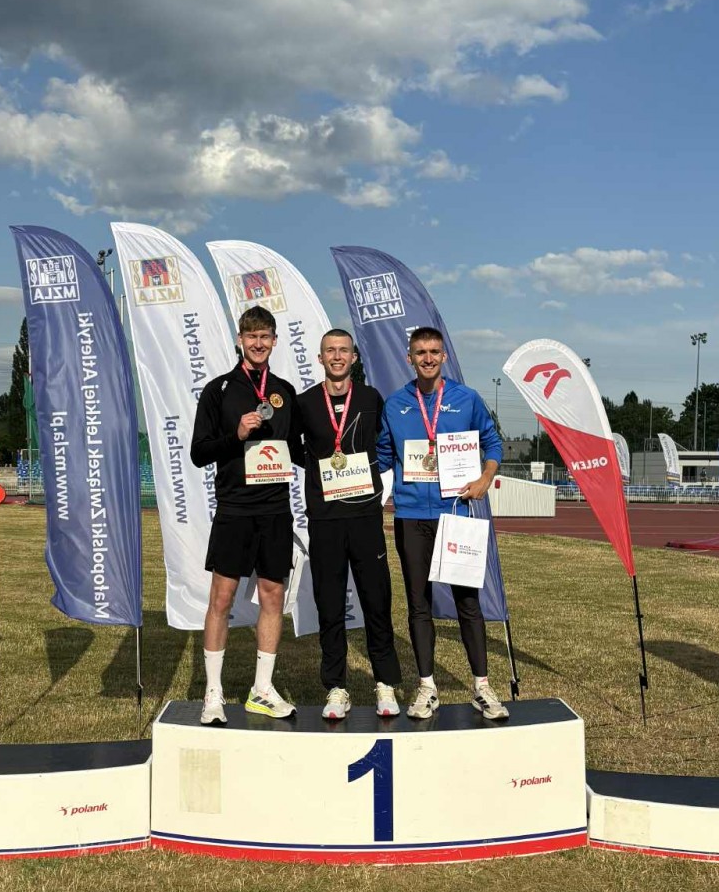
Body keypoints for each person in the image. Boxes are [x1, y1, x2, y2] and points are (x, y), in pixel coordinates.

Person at [378, 328, 508, 721]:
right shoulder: (396, 404)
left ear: (444, 356)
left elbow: (493, 443)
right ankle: (426, 687)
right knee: (418, 603)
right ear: (410, 358)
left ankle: (482, 687)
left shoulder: (466, 398)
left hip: (456, 513)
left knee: (468, 603)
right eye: (421, 352)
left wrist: (485, 478)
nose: (428, 358)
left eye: (434, 351)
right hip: (412, 516)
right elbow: (381, 455)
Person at [190, 305, 302, 723]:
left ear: (274, 341)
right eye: (251, 336)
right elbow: (199, 452)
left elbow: (300, 449)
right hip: (235, 509)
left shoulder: (285, 391)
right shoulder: (218, 390)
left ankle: (262, 690)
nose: (258, 343)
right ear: (240, 340)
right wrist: (235, 435)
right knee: (221, 598)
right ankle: (213, 693)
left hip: (275, 511)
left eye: (265, 336)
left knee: (273, 596)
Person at [294, 328, 403, 721]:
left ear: (354, 358)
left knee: (377, 600)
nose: (337, 356)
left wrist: (365, 473)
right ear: (320, 358)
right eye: (330, 351)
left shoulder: (371, 398)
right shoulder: (306, 402)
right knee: (330, 604)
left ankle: (385, 682)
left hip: (364, 515)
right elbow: (294, 447)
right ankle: (336, 687)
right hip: (325, 518)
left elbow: (385, 444)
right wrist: (323, 470)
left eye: (343, 350)